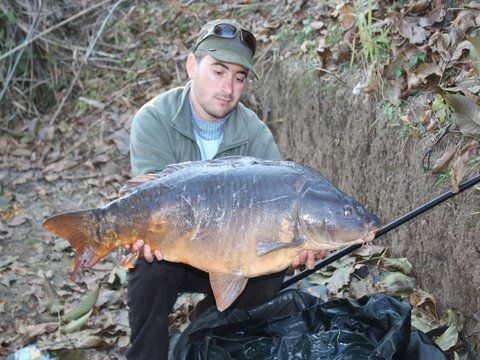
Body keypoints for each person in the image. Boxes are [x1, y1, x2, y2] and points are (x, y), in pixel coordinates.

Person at [125, 19, 326, 359]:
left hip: (233, 253)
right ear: (192, 66)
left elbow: (279, 216)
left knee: (272, 268)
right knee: (147, 267)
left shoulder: (256, 135)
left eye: (239, 77)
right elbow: (149, 201)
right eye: (218, 71)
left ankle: (203, 328)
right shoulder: (153, 119)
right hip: (177, 252)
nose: (228, 87)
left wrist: (301, 245)